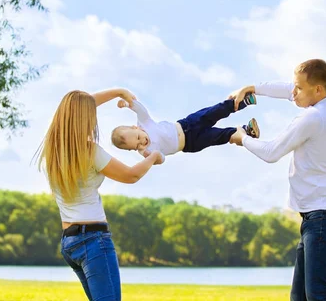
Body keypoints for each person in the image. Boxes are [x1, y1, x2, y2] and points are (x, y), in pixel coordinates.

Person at [228, 59, 326, 301]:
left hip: (324, 216)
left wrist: (241, 138)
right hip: (322, 216)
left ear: (317, 90)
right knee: (301, 298)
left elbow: (271, 152)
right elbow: (288, 90)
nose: (293, 93)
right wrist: (252, 88)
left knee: (318, 295)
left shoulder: (313, 118)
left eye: (298, 88)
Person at [36, 88, 164, 301]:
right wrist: (154, 157)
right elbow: (131, 176)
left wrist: (118, 92)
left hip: (70, 242)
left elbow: (75, 108)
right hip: (93, 240)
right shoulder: (88, 151)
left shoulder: (53, 148)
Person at [110, 93, 260, 161]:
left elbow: (141, 110)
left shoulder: (144, 124)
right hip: (191, 143)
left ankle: (243, 101)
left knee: (215, 111)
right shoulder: (146, 152)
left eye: (138, 138)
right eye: (136, 146)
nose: (141, 142)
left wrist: (128, 104)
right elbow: (161, 158)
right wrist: (153, 158)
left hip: (188, 124)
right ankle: (246, 131)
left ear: (135, 128)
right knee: (220, 135)